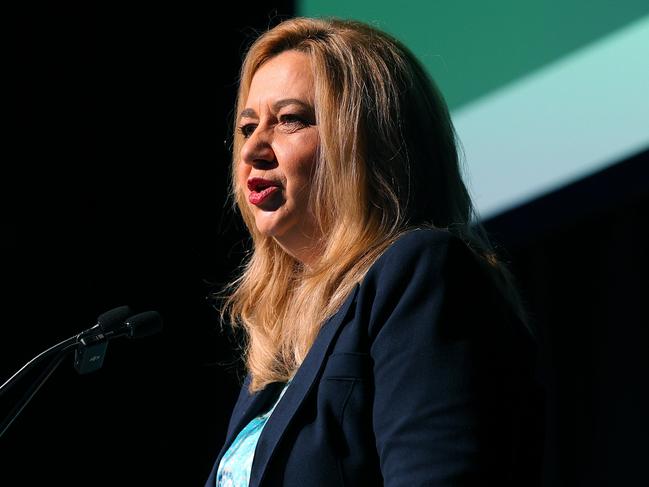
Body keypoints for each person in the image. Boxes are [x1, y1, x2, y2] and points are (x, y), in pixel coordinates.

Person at [206, 17, 542, 487]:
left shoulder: (421, 273)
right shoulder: (279, 353)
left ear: (371, 140)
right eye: (246, 127)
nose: (254, 149)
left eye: (290, 120)